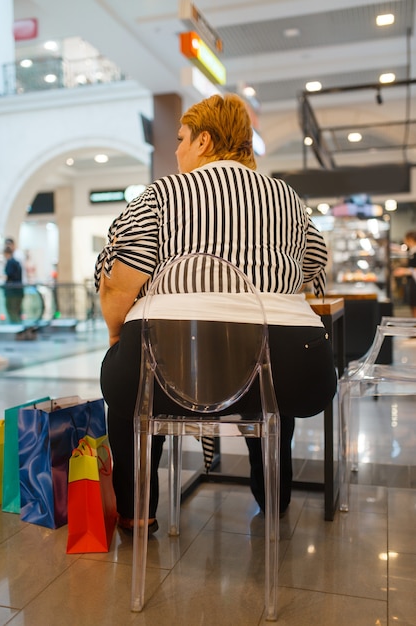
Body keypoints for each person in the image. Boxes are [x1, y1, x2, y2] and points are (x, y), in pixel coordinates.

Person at [95, 93, 337, 533]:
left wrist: (117, 338)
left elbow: (120, 279)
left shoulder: (162, 194)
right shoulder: (287, 198)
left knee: (132, 395)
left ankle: (137, 515)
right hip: (291, 365)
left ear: (205, 141)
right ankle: (274, 500)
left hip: (170, 362)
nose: (177, 149)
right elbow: (316, 260)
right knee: (271, 396)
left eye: (183, 138)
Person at [394, 231, 416, 317]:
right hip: (412, 281)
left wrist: (405, 271)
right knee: (412, 304)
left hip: (414, 282)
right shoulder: (411, 251)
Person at [3, 245, 24, 323]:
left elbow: (9, 275)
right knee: (17, 311)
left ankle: (16, 328)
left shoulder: (10, 263)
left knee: (12, 311)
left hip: (13, 292)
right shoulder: (16, 262)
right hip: (18, 291)